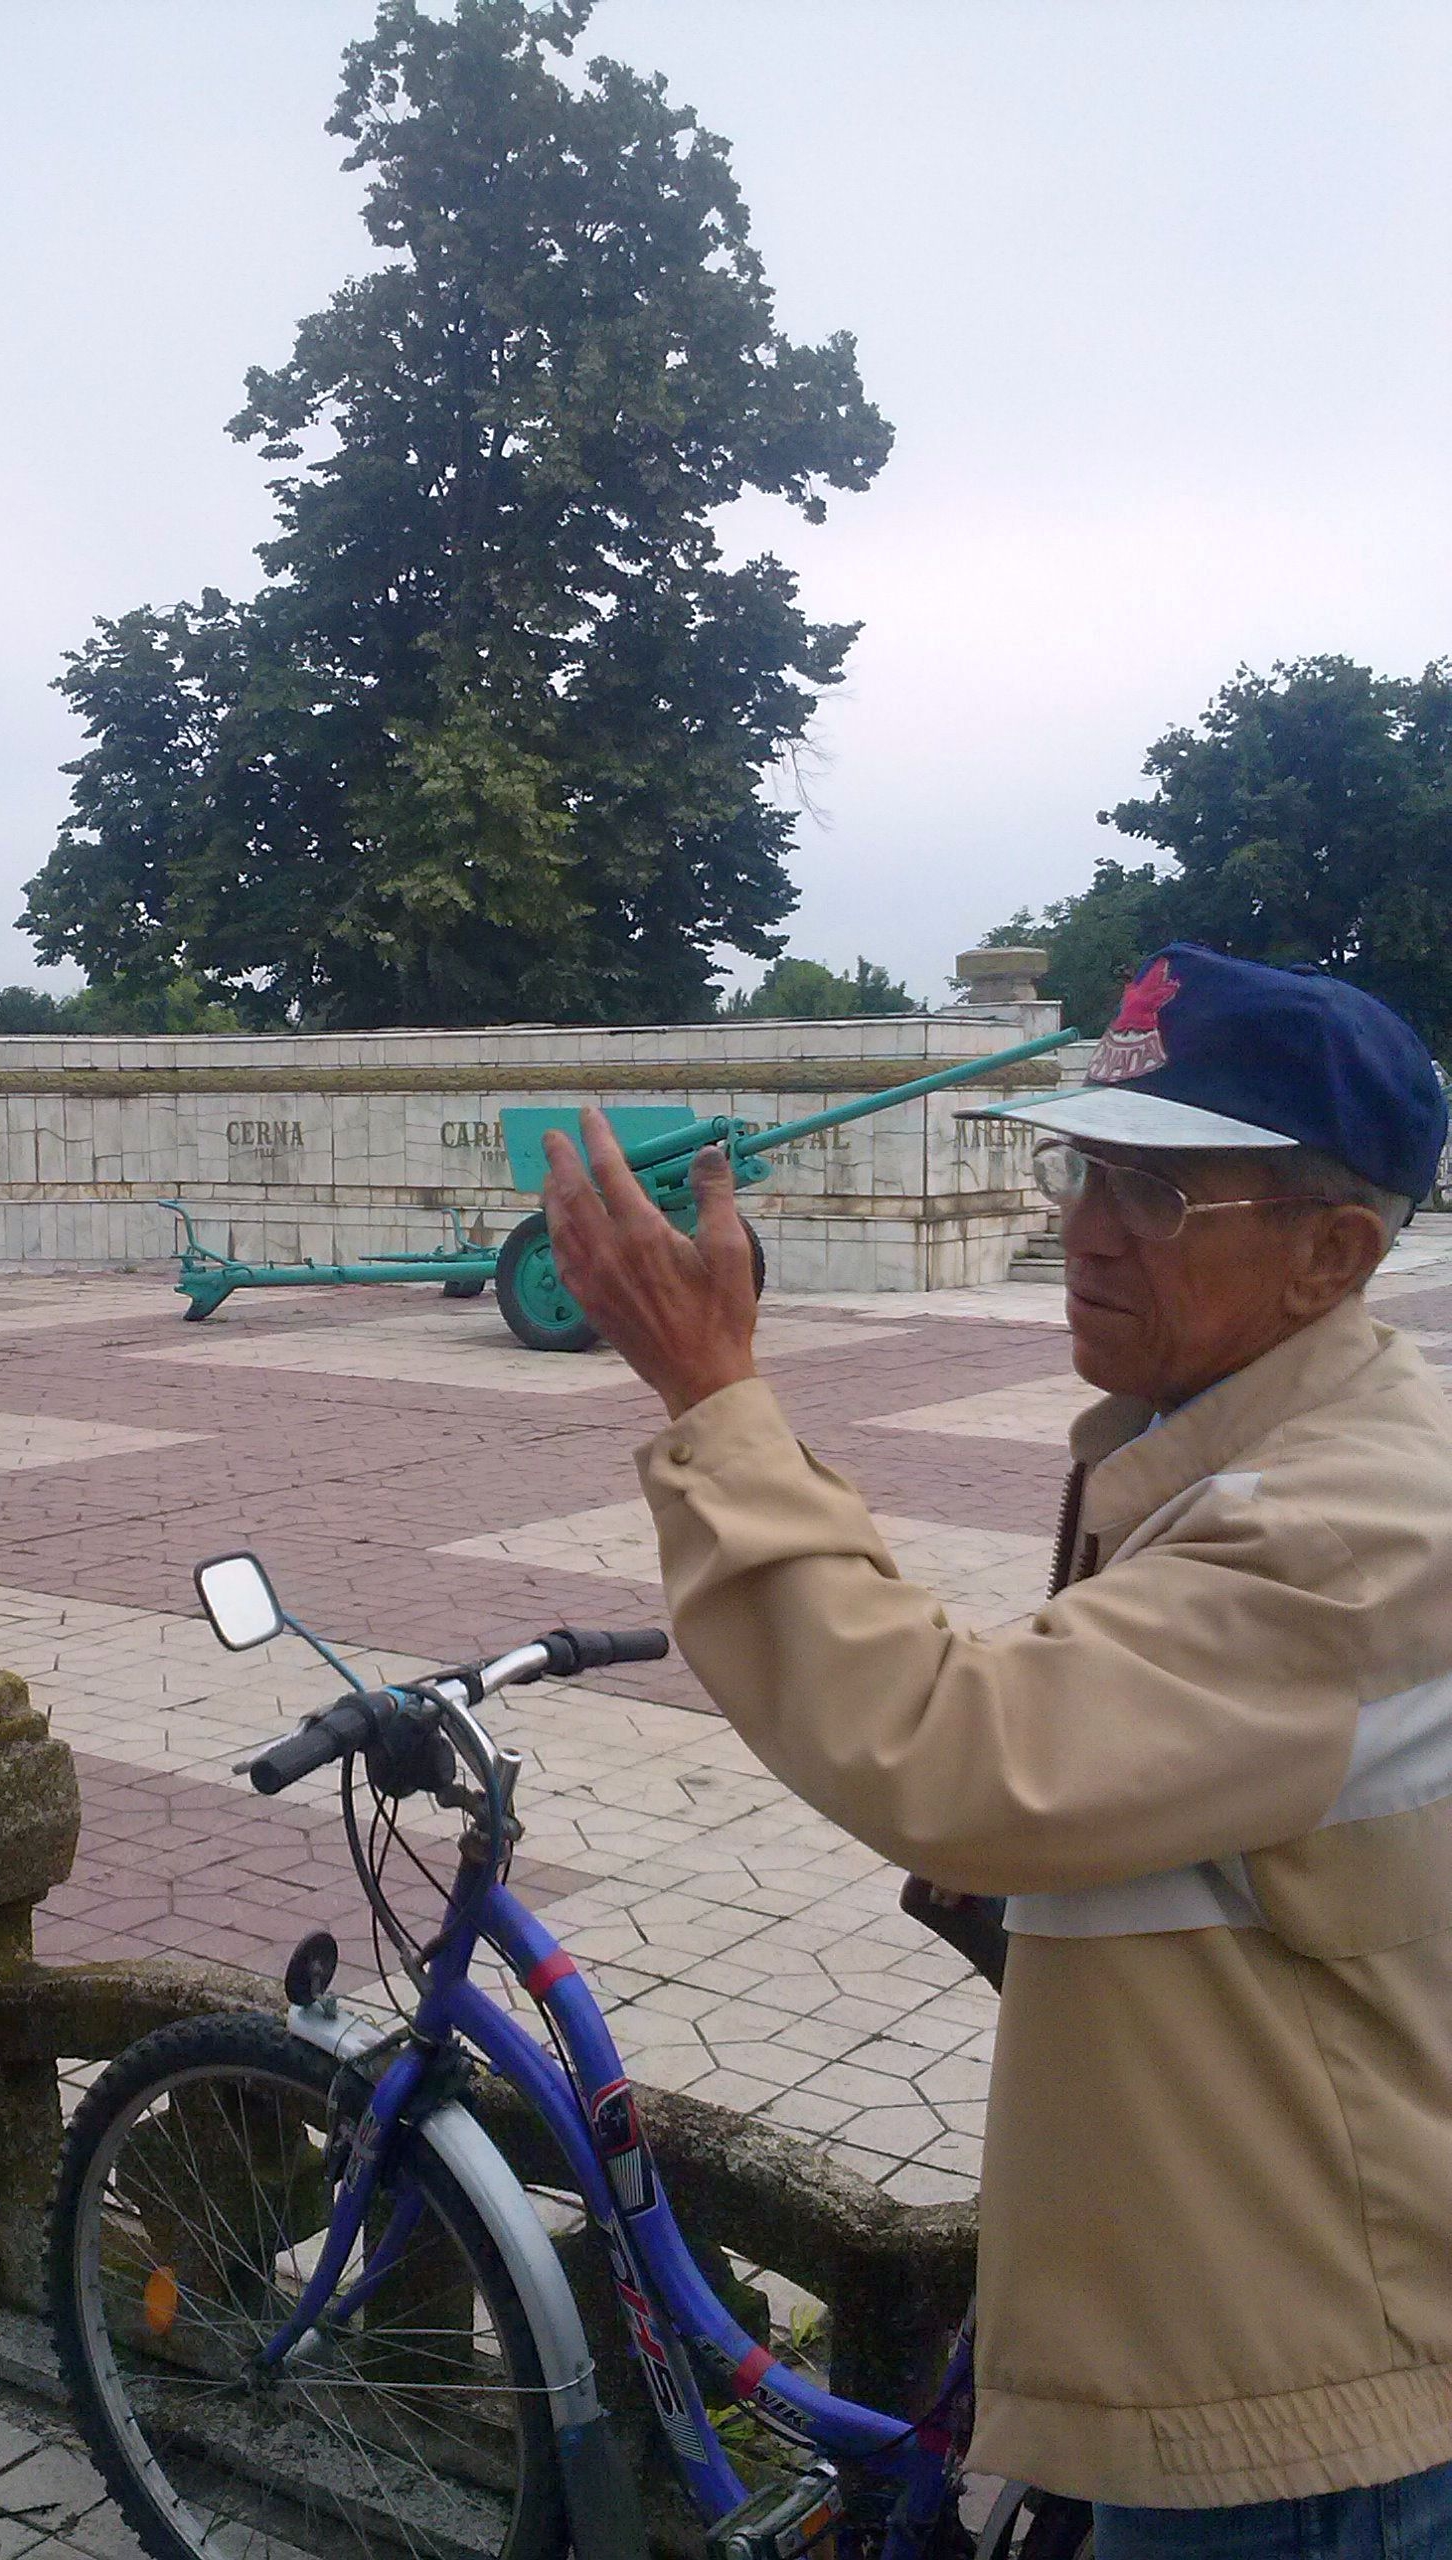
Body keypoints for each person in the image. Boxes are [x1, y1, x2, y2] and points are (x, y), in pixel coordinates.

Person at [540, 944, 1452, 2558]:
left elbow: (959, 1755)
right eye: (1087, 1166)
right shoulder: (1267, 1447)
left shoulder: (1349, 1531)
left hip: (1305, 2411)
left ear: (1334, 1253)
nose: (1083, 1229)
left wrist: (713, 1396)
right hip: (1223, 2296)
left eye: (1160, 1199)